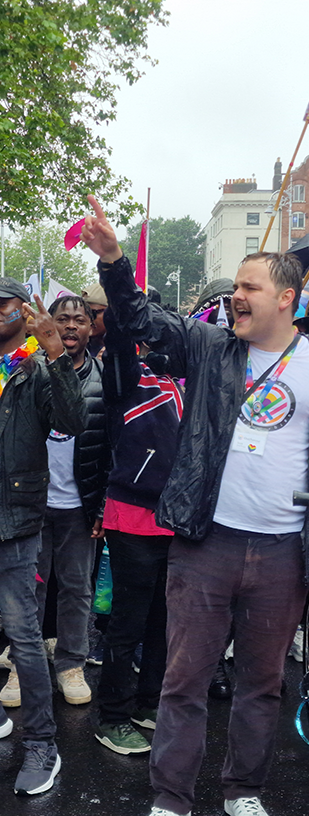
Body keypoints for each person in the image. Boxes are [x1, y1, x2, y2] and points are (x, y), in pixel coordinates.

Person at [81, 195, 309, 816]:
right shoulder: (211, 348)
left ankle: (243, 791)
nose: (236, 297)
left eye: (250, 286)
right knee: (184, 680)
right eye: (235, 287)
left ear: (286, 298)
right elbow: (143, 320)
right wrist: (115, 259)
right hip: (206, 544)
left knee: (262, 685)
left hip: (283, 552)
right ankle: (170, 798)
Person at [0, 279, 87, 794]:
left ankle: (42, 746)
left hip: (15, 522)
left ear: (23, 313)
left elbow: (73, 421)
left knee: (24, 637)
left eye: (4, 305)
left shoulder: (35, 370)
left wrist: (55, 353)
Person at [2, 296, 109, 710]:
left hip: (78, 506)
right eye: (60, 318)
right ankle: (19, 661)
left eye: (78, 320)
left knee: (77, 590)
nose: (69, 326)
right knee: (28, 588)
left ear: (90, 328)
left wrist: (101, 505)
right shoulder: (25, 370)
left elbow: (109, 446)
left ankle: (70, 663)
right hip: (29, 504)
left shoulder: (103, 378)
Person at [92, 310, 184, 755]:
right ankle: (112, 716)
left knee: (161, 620)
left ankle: (149, 703)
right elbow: (121, 353)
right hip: (130, 515)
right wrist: (122, 313)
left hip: (174, 519)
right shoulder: (126, 375)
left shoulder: (181, 378)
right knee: (127, 622)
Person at [82, 282, 108, 355]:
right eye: (83, 313)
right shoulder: (75, 347)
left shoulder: (134, 347)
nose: (88, 318)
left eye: (93, 313)